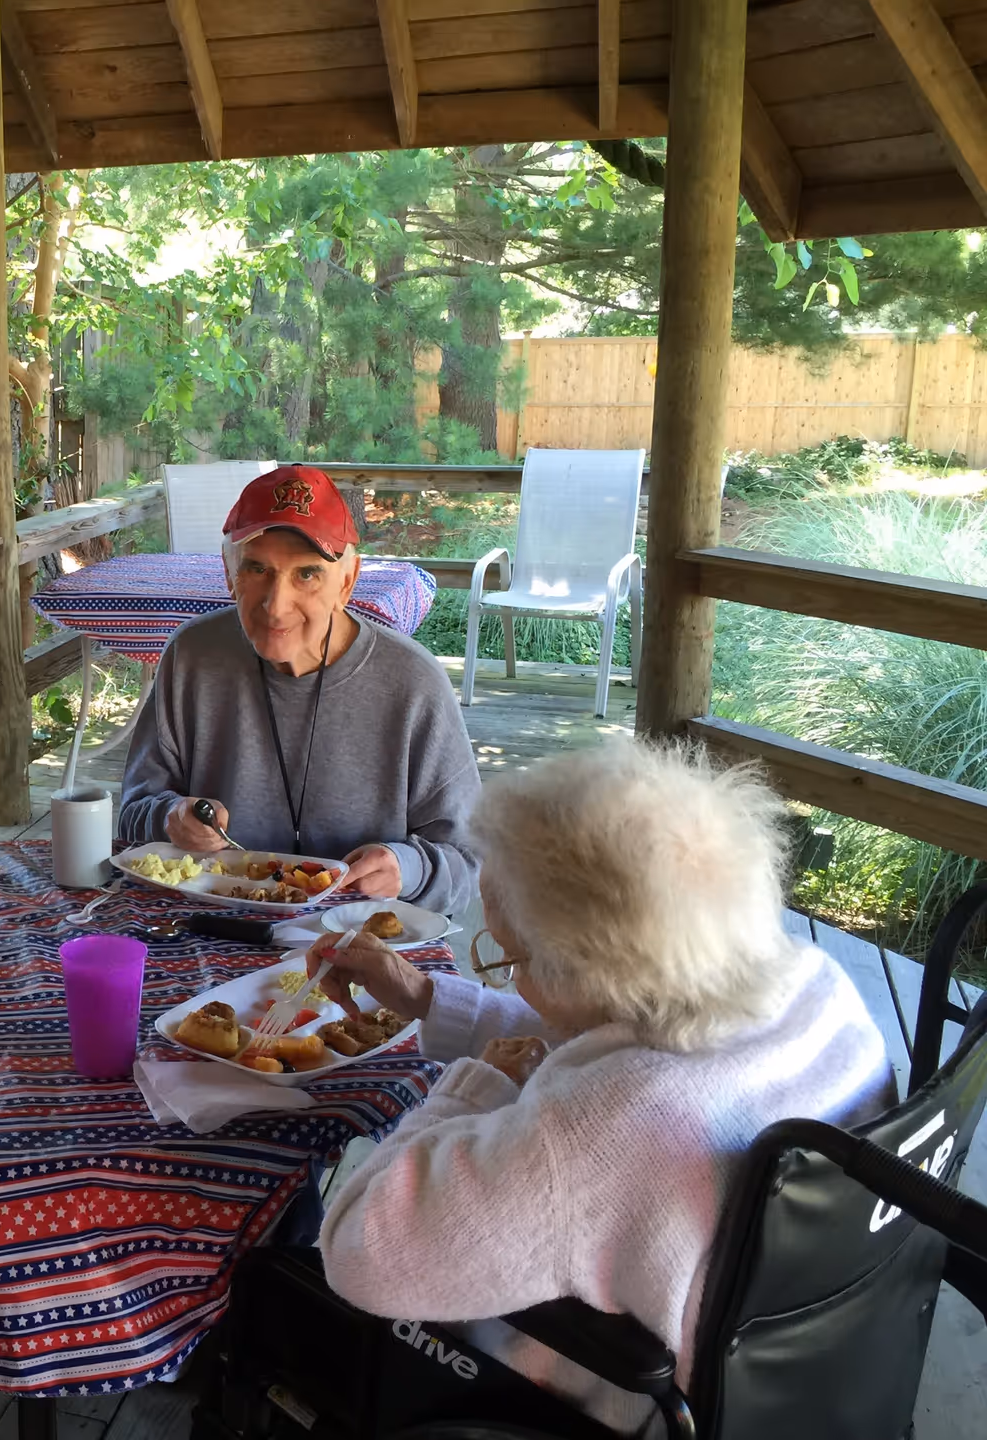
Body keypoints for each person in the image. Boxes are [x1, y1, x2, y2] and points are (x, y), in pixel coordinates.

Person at [302, 738, 893, 1434]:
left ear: (583, 972)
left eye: (507, 957)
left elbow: (361, 1255)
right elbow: (620, 1032)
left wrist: (479, 1086)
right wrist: (429, 998)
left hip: (595, 1401)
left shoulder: (595, 1131)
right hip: (817, 1375)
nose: (507, 971)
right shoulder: (815, 989)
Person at [118, 464, 481, 912]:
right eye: (257, 569)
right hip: (210, 923)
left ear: (347, 582)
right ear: (229, 573)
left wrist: (407, 867)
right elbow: (132, 814)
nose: (276, 605)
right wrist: (169, 817)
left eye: (307, 574)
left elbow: (468, 865)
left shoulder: (413, 684)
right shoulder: (191, 656)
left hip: (353, 941)